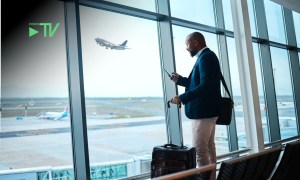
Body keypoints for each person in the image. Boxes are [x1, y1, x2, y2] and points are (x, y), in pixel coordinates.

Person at [169, 32, 222, 179]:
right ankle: (212, 178)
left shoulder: (206, 58)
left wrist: (182, 98)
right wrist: (179, 80)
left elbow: (205, 86)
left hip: (203, 112)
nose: (186, 48)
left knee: (200, 150)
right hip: (208, 111)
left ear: (196, 42)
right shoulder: (206, 57)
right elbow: (197, 83)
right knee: (209, 148)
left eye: (187, 44)